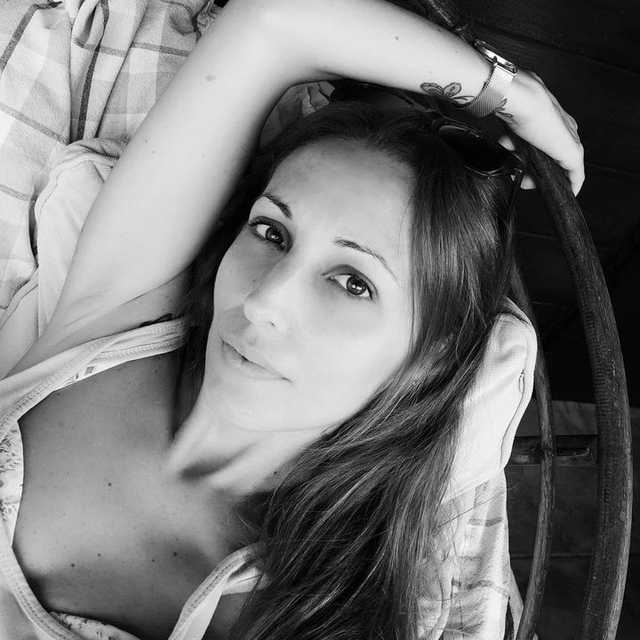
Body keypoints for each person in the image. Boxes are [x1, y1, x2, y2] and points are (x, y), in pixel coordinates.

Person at [0, 0, 583, 639]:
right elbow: (272, 23)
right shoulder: (117, 317)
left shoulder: (349, 606)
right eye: (272, 233)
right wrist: (506, 90)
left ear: (431, 353)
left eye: (353, 283)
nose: (263, 302)